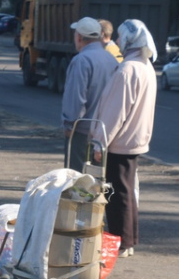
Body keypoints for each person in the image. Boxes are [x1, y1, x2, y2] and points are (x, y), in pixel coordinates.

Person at [95, 18, 158, 258]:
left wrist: (100, 141)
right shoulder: (145, 67)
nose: (118, 41)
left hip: (120, 141)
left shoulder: (128, 69)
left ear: (131, 39)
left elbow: (114, 112)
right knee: (127, 191)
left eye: (121, 37)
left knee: (116, 193)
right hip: (134, 139)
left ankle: (121, 241)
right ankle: (128, 240)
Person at [61, 16, 119, 173]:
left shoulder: (81, 61)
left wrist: (69, 124)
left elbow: (76, 98)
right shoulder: (112, 60)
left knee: (77, 179)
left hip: (82, 131)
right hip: (104, 132)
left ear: (79, 37)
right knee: (98, 179)